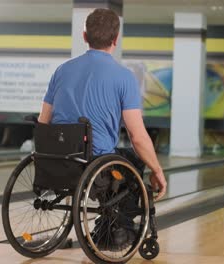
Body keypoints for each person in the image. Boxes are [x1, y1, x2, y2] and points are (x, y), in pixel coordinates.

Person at [37, 8, 167, 249]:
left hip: (57, 161)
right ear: (115, 40)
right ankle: (116, 232)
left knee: (120, 160)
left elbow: (43, 122)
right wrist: (156, 169)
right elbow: (137, 137)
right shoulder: (124, 77)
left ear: (85, 37)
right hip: (96, 165)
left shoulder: (62, 71)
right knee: (133, 163)